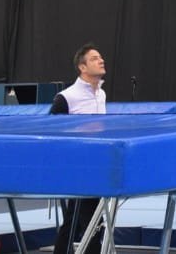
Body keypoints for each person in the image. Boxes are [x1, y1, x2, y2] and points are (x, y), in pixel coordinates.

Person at [50, 44, 108, 254]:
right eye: (94, 58)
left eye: (101, 57)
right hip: (77, 168)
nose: (101, 60)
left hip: (97, 165)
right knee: (92, 221)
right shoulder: (67, 97)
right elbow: (50, 132)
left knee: (74, 219)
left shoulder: (101, 94)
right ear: (82, 67)